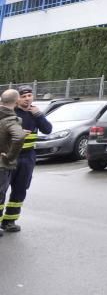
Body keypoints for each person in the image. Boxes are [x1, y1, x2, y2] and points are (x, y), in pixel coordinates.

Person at [1, 86, 51, 234]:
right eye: (24, 96)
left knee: (20, 190)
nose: (27, 98)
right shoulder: (10, 114)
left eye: (30, 95)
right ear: (17, 99)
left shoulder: (35, 114)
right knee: (1, 191)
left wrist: (39, 115)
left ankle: (9, 221)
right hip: (9, 157)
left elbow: (48, 129)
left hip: (27, 157)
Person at [0, 89, 27, 238]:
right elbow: (19, 137)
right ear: (17, 102)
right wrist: (10, 157)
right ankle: (6, 223)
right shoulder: (11, 119)